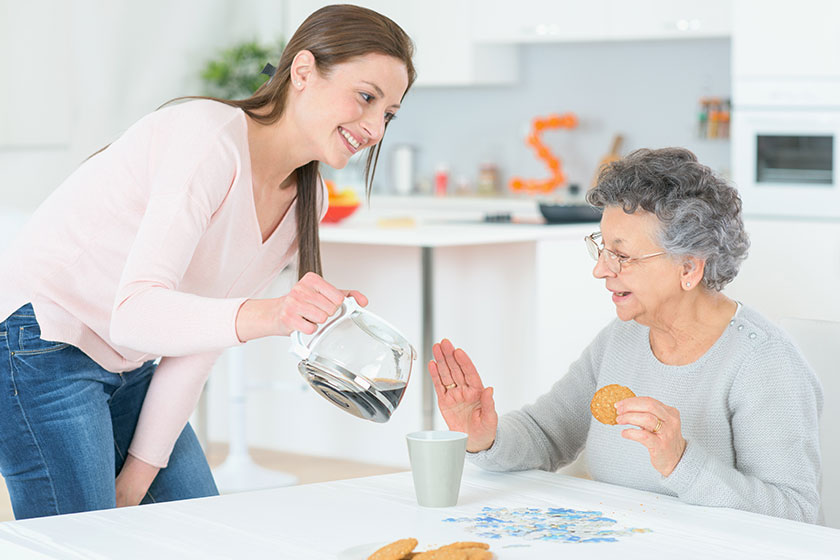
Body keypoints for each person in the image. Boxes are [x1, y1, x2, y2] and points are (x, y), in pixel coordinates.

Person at [0, 4, 415, 520]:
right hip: (39, 337)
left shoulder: (307, 202)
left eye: (388, 114)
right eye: (366, 97)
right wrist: (274, 314)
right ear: (303, 71)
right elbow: (134, 312)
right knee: (81, 543)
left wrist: (135, 481)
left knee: (196, 529)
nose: (375, 128)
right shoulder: (209, 138)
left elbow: (197, 345)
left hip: (126, 361)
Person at [429, 147, 824, 524]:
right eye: (602, 248)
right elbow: (546, 435)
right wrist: (484, 437)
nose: (600, 270)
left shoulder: (763, 362)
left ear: (689, 268)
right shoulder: (622, 339)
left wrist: (681, 462)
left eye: (621, 255)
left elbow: (795, 513)